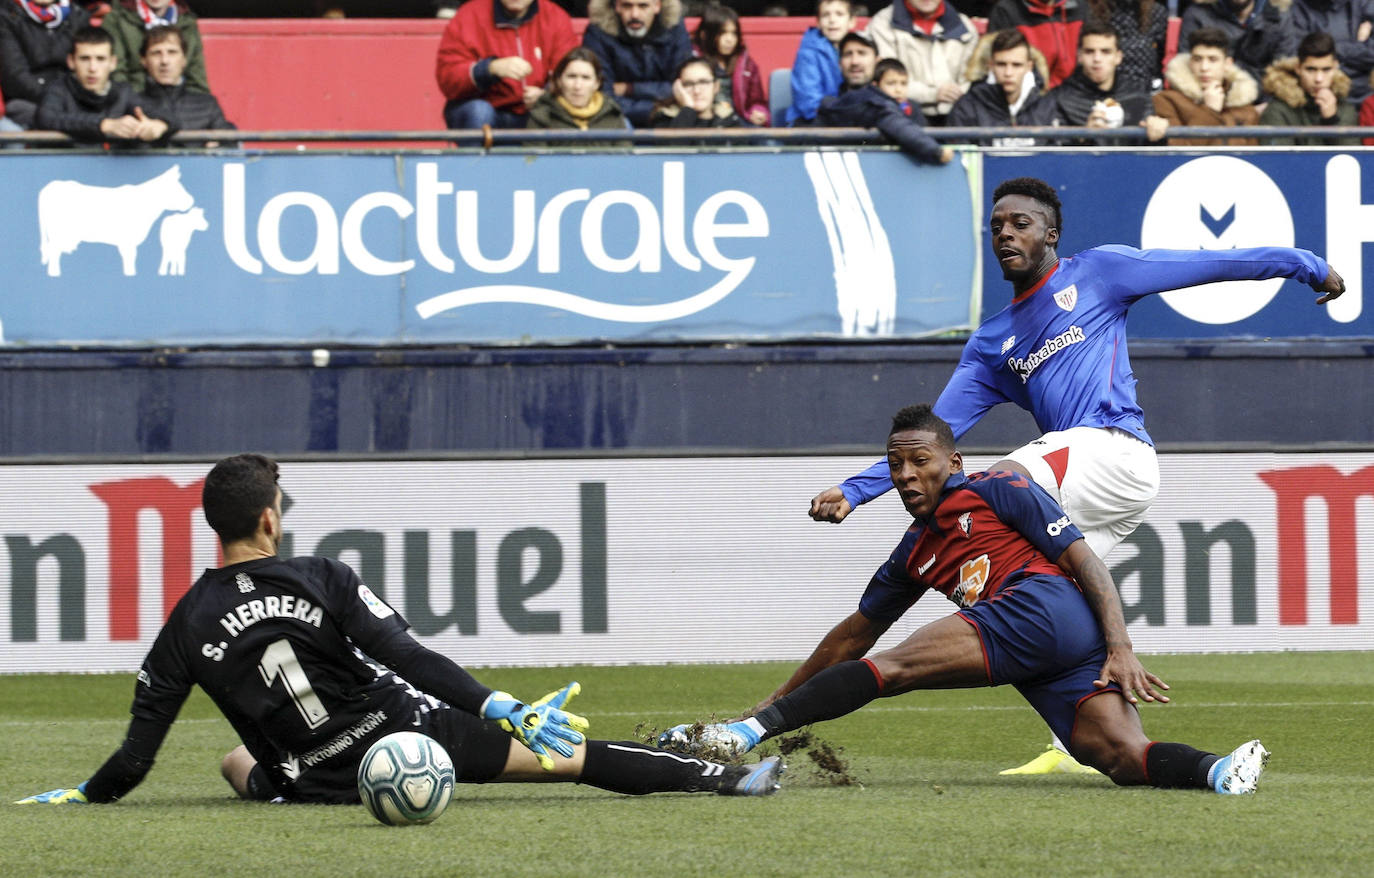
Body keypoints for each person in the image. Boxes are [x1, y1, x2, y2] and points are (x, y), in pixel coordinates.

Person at [801, 176, 1345, 774]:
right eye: (997, 227)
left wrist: (1307, 265)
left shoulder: (1100, 273)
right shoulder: (991, 343)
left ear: (1051, 235)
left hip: (1114, 451)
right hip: (1084, 490)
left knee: (998, 482)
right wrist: (857, 491)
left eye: (1021, 223)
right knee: (1045, 599)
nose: (1005, 233)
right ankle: (1092, 743)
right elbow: (933, 443)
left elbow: (1208, 262)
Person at [14, 454, 784, 807]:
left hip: (313, 778)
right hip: (406, 736)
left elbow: (136, 757)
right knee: (568, 758)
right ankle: (722, 776)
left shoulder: (182, 626)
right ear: (269, 517)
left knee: (231, 759)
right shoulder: (322, 576)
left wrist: (87, 794)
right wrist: (498, 706)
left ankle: (279, 778)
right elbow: (408, 657)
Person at [663, 404, 1274, 797]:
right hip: (1049, 648)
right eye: (895, 465)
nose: (905, 475)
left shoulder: (1000, 488)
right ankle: (1220, 771)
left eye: (919, 461)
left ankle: (739, 738)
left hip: (1042, 608)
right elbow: (852, 636)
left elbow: (1084, 560)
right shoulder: (909, 555)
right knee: (1115, 756)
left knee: (892, 670)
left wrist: (1121, 646)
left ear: (952, 462)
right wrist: (774, 700)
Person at [435, 0, 578, 130]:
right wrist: (490, 69)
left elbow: (572, 73)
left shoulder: (555, 17)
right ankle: (475, 160)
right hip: (484, 112)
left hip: (535, 113)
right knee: (479, 111)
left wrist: (546, 95)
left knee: (557, 108)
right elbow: (448, 77)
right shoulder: (470, 15)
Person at [35, 24, 171, 144]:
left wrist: (160, 125)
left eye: (100, 59)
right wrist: (104, 125)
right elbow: (47, 118)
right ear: (71, 61)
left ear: (113, 63)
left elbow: (171, 116)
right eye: (85, 59)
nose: (92, 68)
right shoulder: (58, 89)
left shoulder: (123, 92)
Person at [817, 56, 955, 162]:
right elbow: (898, 126)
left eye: (903, 83)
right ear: (876, 85)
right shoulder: (877, 103)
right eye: (891, 83)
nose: (898, 89)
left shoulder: (910, 106)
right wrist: (936, 151)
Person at [866, 0, 979, 125]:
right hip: (903, 114)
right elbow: (887, 78)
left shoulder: (965, 26)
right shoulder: (883, 23)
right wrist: (932, 94)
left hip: (957, 113)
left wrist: (957, 94)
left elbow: (971, 77)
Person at [1143, 25, 1261, 145]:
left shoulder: (1245, 108)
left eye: (1213, 59)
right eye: (1197, 59)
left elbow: (1255, 159)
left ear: (1227, 64)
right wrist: (1210, 111)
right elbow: (1180, 153)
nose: (1204, 68)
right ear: (1190, 63)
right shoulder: (1167, 100)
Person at [582, 0, 692, 127]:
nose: (635, 14)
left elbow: (684, 86)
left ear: (657, 6)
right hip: (616, 116)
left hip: (669, 114)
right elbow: (602, 95)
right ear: (616, 6)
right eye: (627, 6)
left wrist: (629, 89)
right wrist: (654, 109)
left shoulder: (674, 28)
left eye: (643, 6)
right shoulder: (598, 32)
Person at [947, 28, 1059, 142]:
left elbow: (1057, 155)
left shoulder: (1046, 106)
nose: (1008, 73)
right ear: (991, 65)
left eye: (1016, 65)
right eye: (1001, 64)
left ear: (1029, 67)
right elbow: (961, 155)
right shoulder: (967, 107)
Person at [0, 0, 93, 131]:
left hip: (74, 101)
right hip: (29, 101)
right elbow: (14, 76)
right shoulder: (6, 15)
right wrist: (57, 100)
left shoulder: (79, 15)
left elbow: (89, 67)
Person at [1260, 29, 1361, 143]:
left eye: (1326, 70)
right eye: (1311, 69)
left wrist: (1331, 121)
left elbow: (1350, 158)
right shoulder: (1278, 110)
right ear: (1298, 68)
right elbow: (1278, 159)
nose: (1319, 79)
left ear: (1335, 67)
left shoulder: (1345, 109)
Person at [1048, 21, 1149, 131]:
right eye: (1089, 51)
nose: (1097, 59)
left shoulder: (1137, 95)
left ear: (1118, 57)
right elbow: (1053, 145)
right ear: (1079, 56)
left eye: (1106, 52)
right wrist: (1085, 137)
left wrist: (1158, 133)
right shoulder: (1060, 99)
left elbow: (1150, 145)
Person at [136, 25, 234, 135]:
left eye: (172, 52)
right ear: (144, 60)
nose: (164, 61)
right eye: (156, 53)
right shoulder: (132, 104)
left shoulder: (207, 104)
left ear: (184, 60)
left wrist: (219, 146)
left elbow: (230, 141)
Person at [101, 0, 208, 94]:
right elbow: (117, 74)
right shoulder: (117, 19)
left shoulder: (188, 22)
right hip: (135, 101)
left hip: (179, 102)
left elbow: (197, 81)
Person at [1179, 0, 1289, 88]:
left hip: (1265, 101)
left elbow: (1284, 70)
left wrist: (1266, 106)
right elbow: (1187, 66)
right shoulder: (1197, 14)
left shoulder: (1279, 15)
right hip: (1209, 96)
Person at [692, 1, 769, 126]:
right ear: (705, 35)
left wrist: (758, 112)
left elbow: (757, 101)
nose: (730, 39)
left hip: (739, 122)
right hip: (704, 123)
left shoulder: (747, 64)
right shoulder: (693, 62)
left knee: (769, 143)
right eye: (723, 33)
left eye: (734, 33)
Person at [1279, 0, 1374, 101]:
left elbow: (1371, 53)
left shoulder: (1364, 4)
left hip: (1366, 95)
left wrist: (1331, 50)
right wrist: (1358, 46)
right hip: (1314, 98)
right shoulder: (1296, 9)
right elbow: (1300, 62)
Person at [783, 0, 855, 125]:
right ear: (818, 22)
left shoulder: (859, 48)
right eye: (826, 15)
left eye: (839, 14)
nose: (832, 20)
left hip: (842, 115)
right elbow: (808, 103)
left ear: (852, 22)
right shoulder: (807, 52)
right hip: (811, 119)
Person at [986, 0, 1085, 89]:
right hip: (1029, 95)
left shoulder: (1079, 7)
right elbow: (1000, 63)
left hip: (1074, 92)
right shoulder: (1006, 10)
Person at [527, 46, 629, 129]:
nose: (578, 86)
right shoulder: (541, 117)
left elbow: (624, 153)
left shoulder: (612, 115)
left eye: (586, 78)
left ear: (597, 83)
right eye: (571, 76)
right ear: (559, 80)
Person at [1084, 0, 1168, 91]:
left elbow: (1163, 55)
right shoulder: (1090, 10)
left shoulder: (1155, 12)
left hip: (1145, 89)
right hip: (1103, 89)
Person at [648, 55, 744, 126]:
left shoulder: (729, 119)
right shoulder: (665, 118)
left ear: (716, 87)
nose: (697, 91)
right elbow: (672, 148)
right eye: (688, 84)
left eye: (703, 82)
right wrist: (688, 109)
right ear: (678, 88)